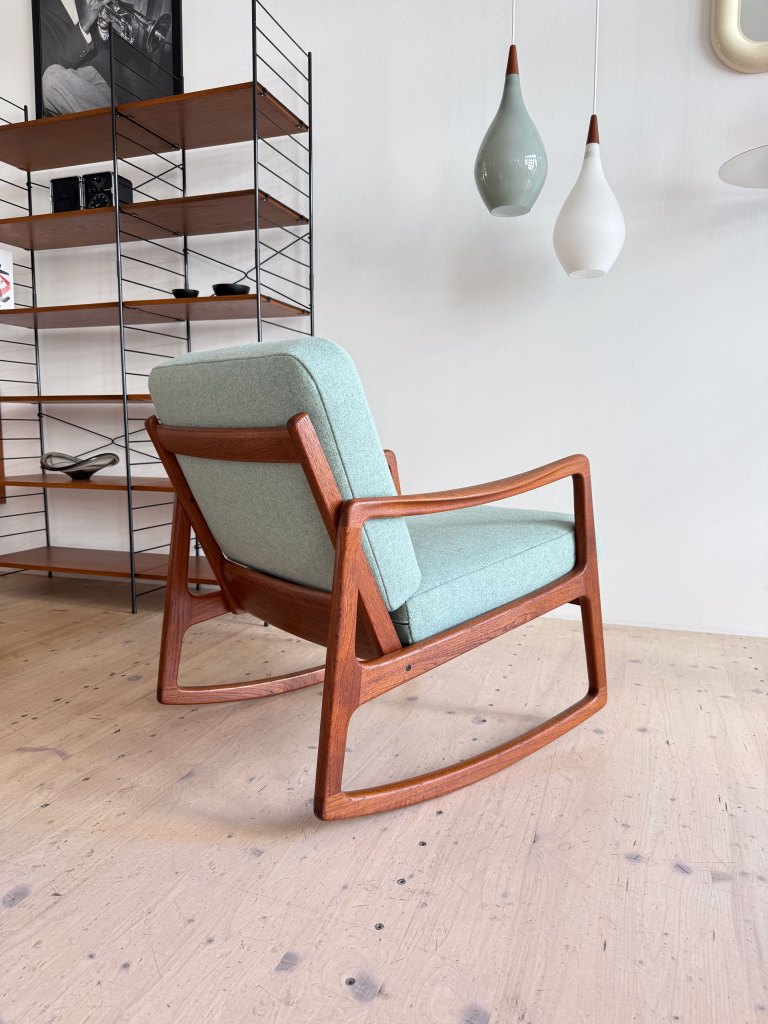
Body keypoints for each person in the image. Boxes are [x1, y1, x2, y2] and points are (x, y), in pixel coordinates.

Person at [38, 0, 112, 115]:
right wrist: (83, 26)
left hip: (103, 77)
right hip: (68, 84)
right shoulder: (38, 10)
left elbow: (102, 45)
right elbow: (48, 64)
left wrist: (103, 29)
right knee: (50, 80)